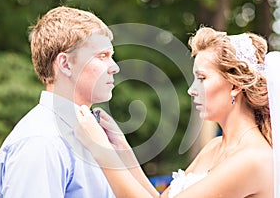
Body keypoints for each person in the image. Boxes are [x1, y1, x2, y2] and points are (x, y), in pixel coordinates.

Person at [75, 26, 274, 197]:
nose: (191, 89)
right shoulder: (214, 147)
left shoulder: (253, 159)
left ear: (234, 86)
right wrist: (121, 147)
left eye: (202, 78)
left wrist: (100, 149)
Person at [0, 6, 119, 197]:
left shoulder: (92, 133)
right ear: (65, 64)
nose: (114, 67)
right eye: (102, 56)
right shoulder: (41, 142)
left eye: (111, 57)